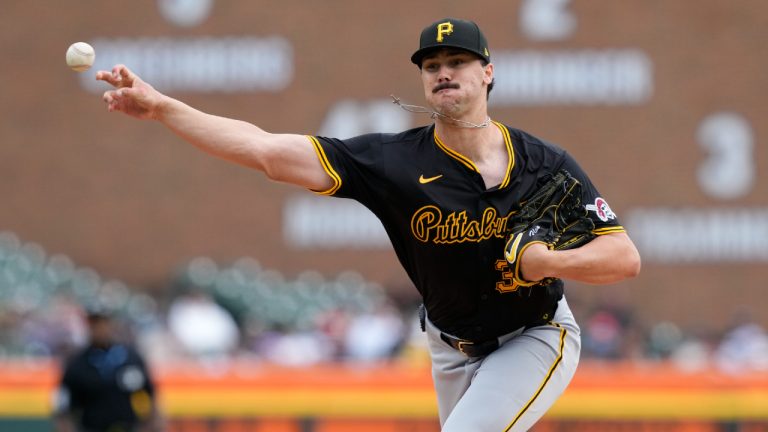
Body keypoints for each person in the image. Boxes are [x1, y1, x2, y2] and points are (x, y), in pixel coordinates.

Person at [97, 17, 640, 431]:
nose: (443, 72)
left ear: (488, 72)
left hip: (535, 333)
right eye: (432, 65)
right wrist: (164, 107)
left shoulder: (544, 163)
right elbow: (267, 151)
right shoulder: (394, 163)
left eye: (457, 60)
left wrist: (547, 262)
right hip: (449, 345)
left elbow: (623, 258)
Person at [52, 305, 163, 432]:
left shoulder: (130, 358)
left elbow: (151, 393)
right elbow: (62, 407)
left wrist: (153, 422)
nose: (100, 328)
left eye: (104, 322)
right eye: (95, 323)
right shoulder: (77, 363)